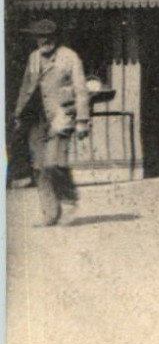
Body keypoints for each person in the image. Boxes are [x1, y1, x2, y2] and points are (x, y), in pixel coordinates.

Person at [11, 19, 90, 226]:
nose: (44, 41)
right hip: (37, 119)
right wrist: (19, 115)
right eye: (40, 37)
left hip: (61, 117)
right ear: (35, 39)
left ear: (56, 38)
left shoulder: (69, 58)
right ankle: (50, 212)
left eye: (48, 37)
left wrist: (82, 120)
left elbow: (81, 90)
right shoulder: (34, 58)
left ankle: (69, 201)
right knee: (39, 167)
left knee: (54, 163)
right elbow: (25, 88)